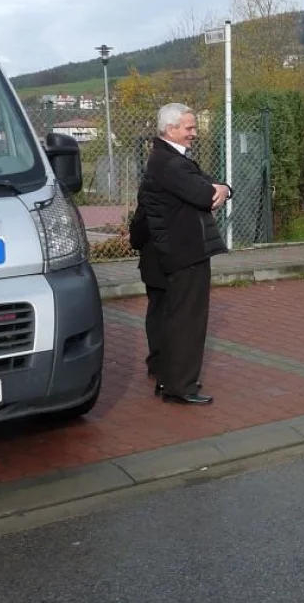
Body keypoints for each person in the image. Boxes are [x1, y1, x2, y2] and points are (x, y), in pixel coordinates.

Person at [137, 103, 230, 405]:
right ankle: (180, 386)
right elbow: (205, 194)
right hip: (184, 251)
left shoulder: (167, 159)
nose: (194, 133)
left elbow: (208, 186)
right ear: (171, 129)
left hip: (167, 250)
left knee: (167, 315)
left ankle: (168, 377)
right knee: (187, 319)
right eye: (189, 128)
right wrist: (221, 189)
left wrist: (224, 187)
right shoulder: (172, 164)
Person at [128, 204, 166, 394]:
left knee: (157, 313)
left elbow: (137, 232)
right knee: (169, 314)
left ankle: (158, 362)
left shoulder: (149, 193)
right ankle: (165, 363)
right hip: (174, 264)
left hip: (153, 264)